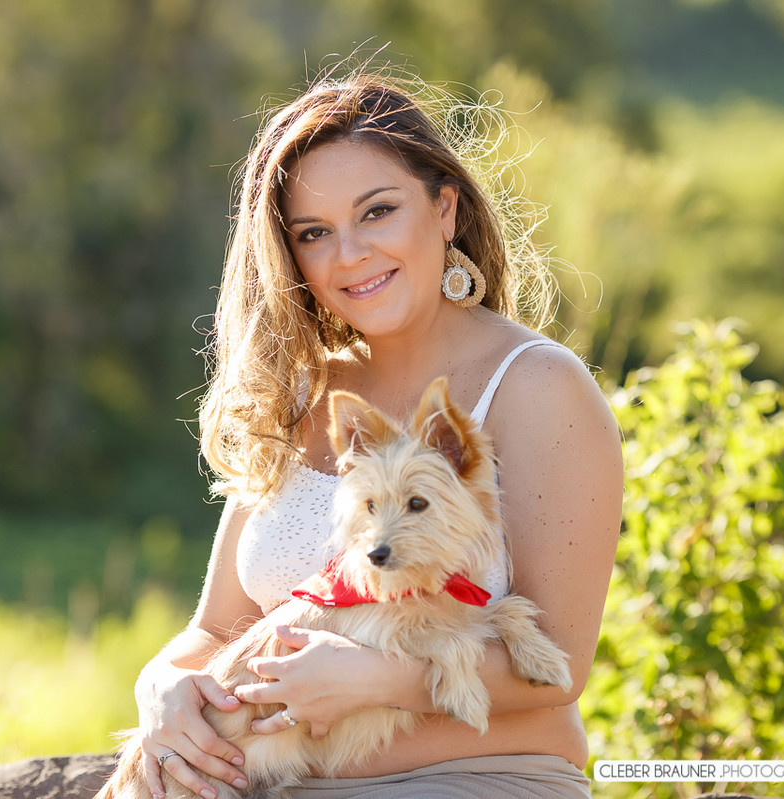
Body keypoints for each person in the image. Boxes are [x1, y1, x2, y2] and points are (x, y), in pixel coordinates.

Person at [127, 68, 623, 799]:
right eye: (315, 233)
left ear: (445, 208)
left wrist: (375, 680)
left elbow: (557, 667)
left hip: (464, 781)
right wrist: (162, 688)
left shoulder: (537, 387)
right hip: (260, 780)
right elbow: (213, 629)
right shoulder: (302, 390)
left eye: (378, 212)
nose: (350, 254)